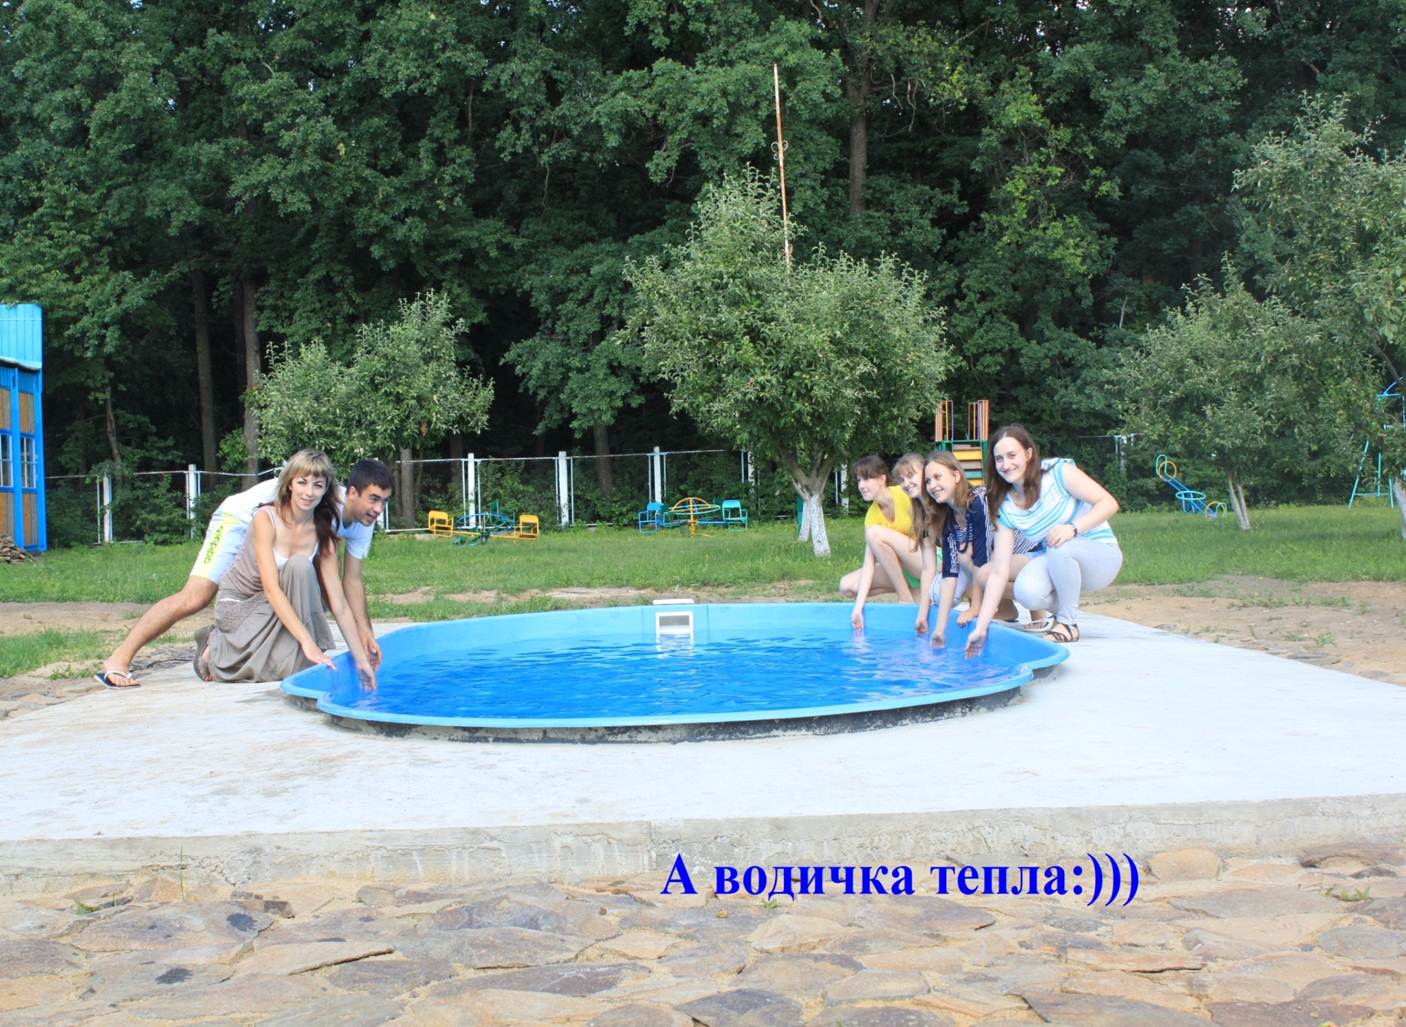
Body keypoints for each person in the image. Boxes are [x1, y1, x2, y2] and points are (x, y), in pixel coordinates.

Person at [95, 457, 394, 688]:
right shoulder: (317, 496)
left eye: (383, 502)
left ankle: (252, 650)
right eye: (373, 500)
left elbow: (351, 583)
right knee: (196, 596)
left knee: (306, 580)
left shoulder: (361, 522)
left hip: (287, 540)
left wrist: (365, 637)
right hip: (239, 521)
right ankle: (119, 658)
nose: (378, 509)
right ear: (351, 493)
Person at [196, 450, 376, 686]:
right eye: (302, 482)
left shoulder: (324, 533)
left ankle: (283, 654)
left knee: (301, 571)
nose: (309, 492)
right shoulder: (265, 518)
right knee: (288, 663)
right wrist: (307, 642)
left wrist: (361, 660)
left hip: (277, 606)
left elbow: (339, 603)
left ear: (326, 490)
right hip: (242, 605)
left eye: (318, 485)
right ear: (290, 483)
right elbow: (271, 589)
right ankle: (216, 645)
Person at [965, 425, 1122, 655]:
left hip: (1100, 556)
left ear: (1028, 454)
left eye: (1012, 455)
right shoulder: (1004, 505)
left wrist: (1073, 528)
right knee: (1023, 590)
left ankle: (1067, 623)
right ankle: (1064, 607)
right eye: (999, 459)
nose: (1006, 464)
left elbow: (1109, 503)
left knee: (1059, 543)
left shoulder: (1058, 472)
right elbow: (1000, 571)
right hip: (1055, 554)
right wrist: (980, 628)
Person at [924, 450, 1045, 647]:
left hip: (1030, 553)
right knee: (962, 561)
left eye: (938, 477)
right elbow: (949, 573)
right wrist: (939, 630)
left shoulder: (978, 501)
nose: (932, 485)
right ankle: (1006, 610)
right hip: (999, 560)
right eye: (928, 481)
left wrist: (975, 608)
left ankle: (1038, 608)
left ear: (956, 476)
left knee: (976, 560)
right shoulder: (948, 517)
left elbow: (981, 559)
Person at [839, 454, 936, 632]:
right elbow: (869, 564)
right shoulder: (872, 516)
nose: (861, 486)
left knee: (875, 533)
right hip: (905, 572)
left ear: (882, 479)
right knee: (847, 586)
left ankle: (905, 598)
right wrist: (858, 608)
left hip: (928, 562)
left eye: (867, 479)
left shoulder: (904, 493)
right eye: (859, 480)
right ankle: (910, 592)